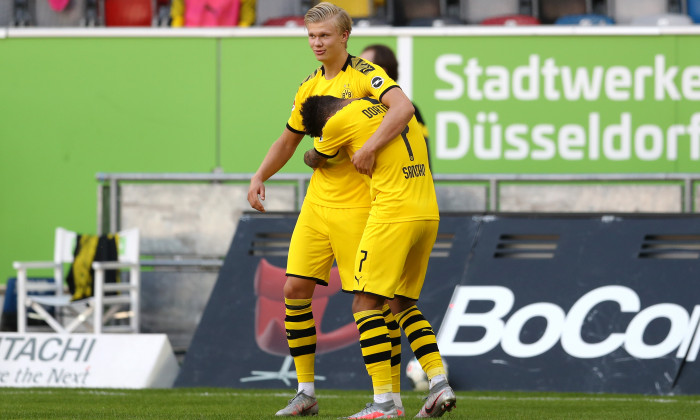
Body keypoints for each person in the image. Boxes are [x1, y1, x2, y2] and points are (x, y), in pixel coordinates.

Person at [245, 2, 415, 417]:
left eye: (324, 35)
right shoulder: (309, 87)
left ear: (344, 36)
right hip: (318, 204)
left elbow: (404, 108)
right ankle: (306, 392)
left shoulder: (365, 76)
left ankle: (387, 399)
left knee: (372, 300)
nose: (317, 43)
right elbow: (288, 141)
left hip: (360, 204)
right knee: (293, 291)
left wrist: (372, 147)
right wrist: (258, 176)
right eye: (311, 36)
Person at [300, 95, 456, 419]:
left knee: (364, 304)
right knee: (402, 304)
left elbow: (315, 158)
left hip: (392, 216)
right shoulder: (394, 108)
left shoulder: (336, 124)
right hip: (427, 212)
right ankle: (439, 382)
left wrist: (314, 147)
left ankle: (384, 403)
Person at [359, 44, 433, 171]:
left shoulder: (408, 109)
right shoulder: (353, 106)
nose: (356, 72)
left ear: (380, 72)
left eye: (363, 67)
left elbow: (422, 158)